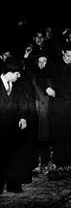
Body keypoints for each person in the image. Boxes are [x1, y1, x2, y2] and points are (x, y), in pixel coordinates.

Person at [37, 42, 71, 170]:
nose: (70, 59)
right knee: (58, 135)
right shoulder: (53, 64)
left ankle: (70, 161)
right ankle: (59, 162)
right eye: (68, 55)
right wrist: (47, 88)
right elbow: (40, 77)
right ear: (63, 52)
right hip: (57, 105)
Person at [0, 57, 29, 194]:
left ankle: (13, 185)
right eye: (17, 74)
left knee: (14, 158)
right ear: (10, 72)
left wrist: (23, 118)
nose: (19, 76)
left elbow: (23, 103)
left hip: (12, 129)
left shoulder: (17, 86)